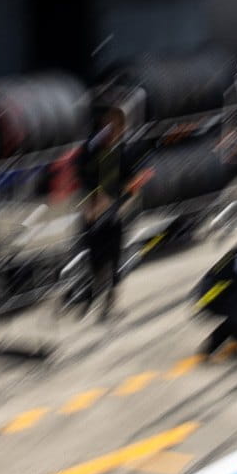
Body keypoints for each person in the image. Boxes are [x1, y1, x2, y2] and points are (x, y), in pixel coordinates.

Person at [74, 106, 143, 320]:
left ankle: (108, 306)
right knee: (93, 260)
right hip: (93, 211)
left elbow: (131, 181)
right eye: (109, 125)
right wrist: (93, 202)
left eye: (117, 126)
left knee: (113, 261)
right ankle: (88, 301)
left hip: (113, 212)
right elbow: (82, 174)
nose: (113, 130)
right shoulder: (92, 149)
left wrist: (123, 199)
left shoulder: (123, 152)